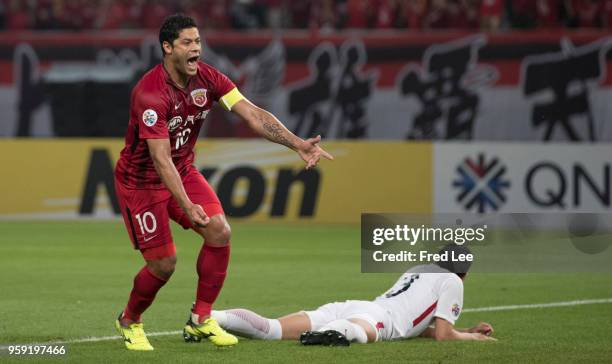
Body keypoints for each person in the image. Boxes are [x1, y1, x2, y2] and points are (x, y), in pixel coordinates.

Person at [113, 13, 333, 351]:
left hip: (183, 170)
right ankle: (129, 319)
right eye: (187, 42)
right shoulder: (150, 94)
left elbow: (251, 112)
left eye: (198, 42)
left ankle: (201, 319)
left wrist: (297, 143)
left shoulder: (208, 79)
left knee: (220, 231)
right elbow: (160, 158)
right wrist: (187, 204)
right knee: (163, 264)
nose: (196, 49)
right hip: (141, 182)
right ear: (167, 47)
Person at [210, 246, 496, 345]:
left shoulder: (419, 269)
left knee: (271, 329)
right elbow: (443, 336)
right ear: (464, 273)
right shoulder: (452, 281)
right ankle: (332, 334)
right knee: (354, 332)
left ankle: (208, 317)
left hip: (356, 307)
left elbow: (422, 327)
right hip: (378, 321)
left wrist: (466, 329)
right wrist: (475, 338)